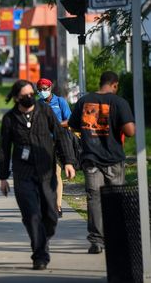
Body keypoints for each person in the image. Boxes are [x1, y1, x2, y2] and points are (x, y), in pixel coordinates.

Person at [0, 79, 76, 270]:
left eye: (32, 94)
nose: (30, 97)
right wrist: (2, 177)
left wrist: (68, 161)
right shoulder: (10, 118)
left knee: (50, 216)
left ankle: (43, 239)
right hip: (23, 174)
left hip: (46, 171)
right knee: (32, 215)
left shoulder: (45, 111)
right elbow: (4, 149)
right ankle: (40, 255)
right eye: (25, 95)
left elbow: (59, 136)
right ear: (17, 98)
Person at [68, 71, 135, 254]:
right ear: (115, 85)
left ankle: (96, 241)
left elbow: (73, 125)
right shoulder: (119, 102)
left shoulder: (84, 101)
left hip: (91, 160)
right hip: (114, 159)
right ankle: (116, 238)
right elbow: (129, 131)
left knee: (94, 199)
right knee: (115, 199)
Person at [37, 78, 72, 218]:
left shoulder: (60, 102)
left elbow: (70, 120)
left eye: (45, 89)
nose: (42, 92)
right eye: (39, 89)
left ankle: (58, 206)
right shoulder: (38, 104)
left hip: (58, 142)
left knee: (56, 174)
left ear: (50, 88)